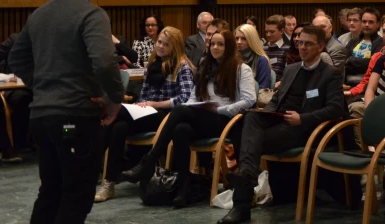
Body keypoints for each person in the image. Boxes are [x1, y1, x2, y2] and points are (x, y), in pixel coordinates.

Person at [7, 0, 125, 224]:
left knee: (50, 194)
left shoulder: (39, 14)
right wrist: (113, 98)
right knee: (75, 197)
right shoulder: (92, 15)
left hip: (41, 118)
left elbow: (16, 60)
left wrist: (42, 86)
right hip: (75, 116)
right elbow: (104, 62)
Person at [216, 26, 345, 224]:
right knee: (250, 117)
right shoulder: (292, 68)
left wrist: (304, 118)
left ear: (321, 46)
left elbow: (336, 109)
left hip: (305, 129)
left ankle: (241, 204)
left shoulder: (330, 74)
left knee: (247, 142)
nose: (302, 47)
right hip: (280, 120)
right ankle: (248, 177)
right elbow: (276, 100)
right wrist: (266, 112)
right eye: (300, 43)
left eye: (308, 44)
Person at [136, 30, 256, 207]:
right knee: (180, 130)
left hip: (226, 120)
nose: (215, 47)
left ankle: (151, 158)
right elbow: (193, 96)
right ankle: (184, 189)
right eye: (212, 43)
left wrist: (219, 110)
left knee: (178, 111)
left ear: (228, 46)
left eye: (220, 44)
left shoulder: (241, 69)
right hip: (203, 117)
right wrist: (194, 106)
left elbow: (249, 100)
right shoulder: (205, 66)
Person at [96, 26, 195, 202]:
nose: (161, 46)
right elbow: (144, 96)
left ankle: (88, 162)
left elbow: (185, 99)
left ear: (176, 46)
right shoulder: (152, 65)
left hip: (168, 116)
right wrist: (141, 104)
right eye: (159, 42)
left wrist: (154, 104)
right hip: (146, 112)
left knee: (116, 114)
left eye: (166, 44)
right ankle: (108, 183)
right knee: (119, 126)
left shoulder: (182, 67)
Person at [0, 33, 33, 162]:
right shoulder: (15, 40)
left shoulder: (48, 43)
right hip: (12, 86)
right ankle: (17, 144)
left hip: (36, 86)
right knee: (23, 99)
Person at [345, 8, 384, 84]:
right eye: (364, 21)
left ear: (378, 24)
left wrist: (352, 60)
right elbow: (345, 63)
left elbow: (373, 65)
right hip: (347, 83)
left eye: (371, 22)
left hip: (368, 84)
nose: (366, 25)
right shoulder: (353, 42)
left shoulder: (381, 43)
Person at [235, 24, 272, 90]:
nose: (239, 42)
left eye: (244, 39)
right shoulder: (231, 59)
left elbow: (263, 89)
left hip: (254, 98)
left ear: (252, 40)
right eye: (237, 38)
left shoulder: (261, 60)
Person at [312, 14, 347, 79]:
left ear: (330, 28)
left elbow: (334, 75)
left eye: (323, 26)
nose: (320, 30)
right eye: (316, 28)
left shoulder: (337, 48)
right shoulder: (312, 45)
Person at [265, 14, 291, 81]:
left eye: (272, 32)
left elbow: (289, 75)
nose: (268, 35)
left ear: (281, 31)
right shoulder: (262, 49)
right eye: (266, 32)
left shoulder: (288, 50)